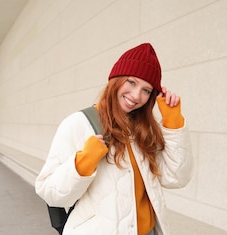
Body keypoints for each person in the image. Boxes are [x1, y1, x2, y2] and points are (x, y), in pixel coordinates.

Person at [35, 43, 193, 235]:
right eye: (132, 82)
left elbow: (176, 178)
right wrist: (83, 162)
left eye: (146, 90)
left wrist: (173, 121)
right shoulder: (78, 123)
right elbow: (49, 192)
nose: (136, 96)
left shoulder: (143, 130)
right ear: (116, 80)